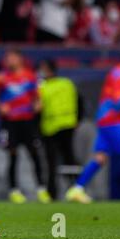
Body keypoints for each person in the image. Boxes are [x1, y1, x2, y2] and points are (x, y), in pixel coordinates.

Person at [66, 51, 120, 203]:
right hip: (112, 120)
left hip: (106, 120)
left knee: (100, 158)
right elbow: (119, 100)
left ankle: (77, 189)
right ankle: (77, 188)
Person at [0, 50, 51, 204]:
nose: (9, 60)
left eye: (12, 57)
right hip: (10, 122)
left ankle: (41, 189)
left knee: (34, 154)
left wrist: (38, 105)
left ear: (20, 59)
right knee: (12, 155)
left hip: (28, 121)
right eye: (7, 58)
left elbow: (37, 98)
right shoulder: (2, 78)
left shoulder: (30, 76)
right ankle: (14, 191)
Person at [38, 59, 80, 200]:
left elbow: (38, 109)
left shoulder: (42, 87)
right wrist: (77, 120)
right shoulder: (67, 83)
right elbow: (80, 102)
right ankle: (76, 189)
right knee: (68, 159)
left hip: (52, 128)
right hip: (65, 125)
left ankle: (56, 193)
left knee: (54, 162)